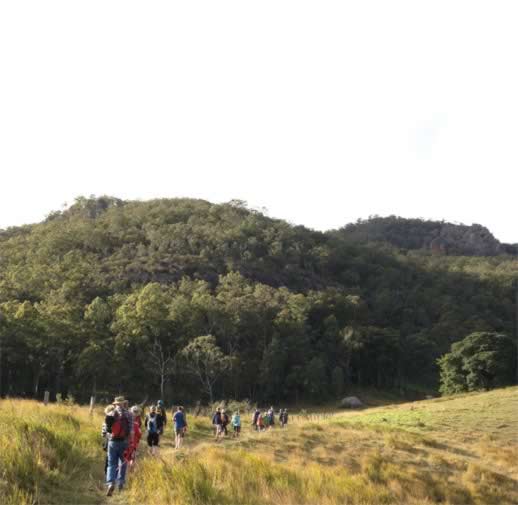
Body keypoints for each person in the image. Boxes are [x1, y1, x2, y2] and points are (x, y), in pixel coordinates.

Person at [105, 396, 133, 496]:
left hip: (112, 442)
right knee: (123, 462)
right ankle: (121, 483)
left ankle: (110, 483)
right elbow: (131, 430)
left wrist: (109, 436)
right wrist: (131, 443)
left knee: (111, 463)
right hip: (124, 442)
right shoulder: (129, 414)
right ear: (123, 403)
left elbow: (106, 431)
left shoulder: (110, 413)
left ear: (115, 404)